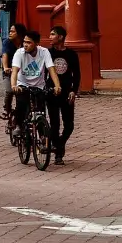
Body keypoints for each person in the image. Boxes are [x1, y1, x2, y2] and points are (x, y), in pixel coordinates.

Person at [11, 30, 61, 138]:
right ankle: (18, 125)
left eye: (29, 42)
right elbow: (14, 71)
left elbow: (51, 70)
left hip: (39, 86)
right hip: (22, 84)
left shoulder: (44, 52)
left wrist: (57, 86)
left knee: (41, 111)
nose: (25, 45)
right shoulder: (19, 53)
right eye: (24, 42)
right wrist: (14, 86)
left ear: (37, 43)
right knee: (21, 105)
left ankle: (42, 137)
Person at [47, 26, 81, 165]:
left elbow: (77, 74)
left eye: (52, 34)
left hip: (66, 92)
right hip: (52, 92)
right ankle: (58, 155)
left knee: (69, 125)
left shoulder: (71, 54)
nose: (50, 37)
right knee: (54, 124)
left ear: (60, 37)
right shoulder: (48, 53)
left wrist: (74, 90)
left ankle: (59, 145)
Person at [1, 23, 26, 118]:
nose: (10, 33)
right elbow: (5, 55)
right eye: (10, 31)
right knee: (9, 91)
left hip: (22, 72)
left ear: (19, 33)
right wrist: (5, 67)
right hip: (9, 72)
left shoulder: (25, 43)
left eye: (12, 31)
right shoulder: (7, 42)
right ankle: (6, 109)